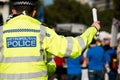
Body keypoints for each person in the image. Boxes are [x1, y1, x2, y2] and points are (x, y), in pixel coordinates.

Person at [0, 0, 100, 79]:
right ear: (34, 13)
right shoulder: (43, 32)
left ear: (13, 12)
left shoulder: (1, 32)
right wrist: (93, 29)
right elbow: (74, 48)